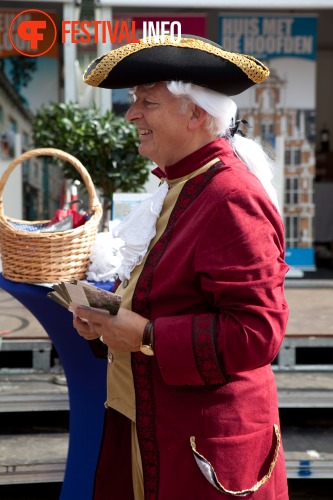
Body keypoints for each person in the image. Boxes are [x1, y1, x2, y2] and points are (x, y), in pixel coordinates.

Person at [73, 34, 289, 499]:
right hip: (154, 425)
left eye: (147, 101)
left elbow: (257, 333)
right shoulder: (182, 185)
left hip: (203, 447)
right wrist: (110, 319)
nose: (131, 114)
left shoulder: (230, 197)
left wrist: (146, 335)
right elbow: (163, 295)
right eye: (134, 101)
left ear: (196, 114)